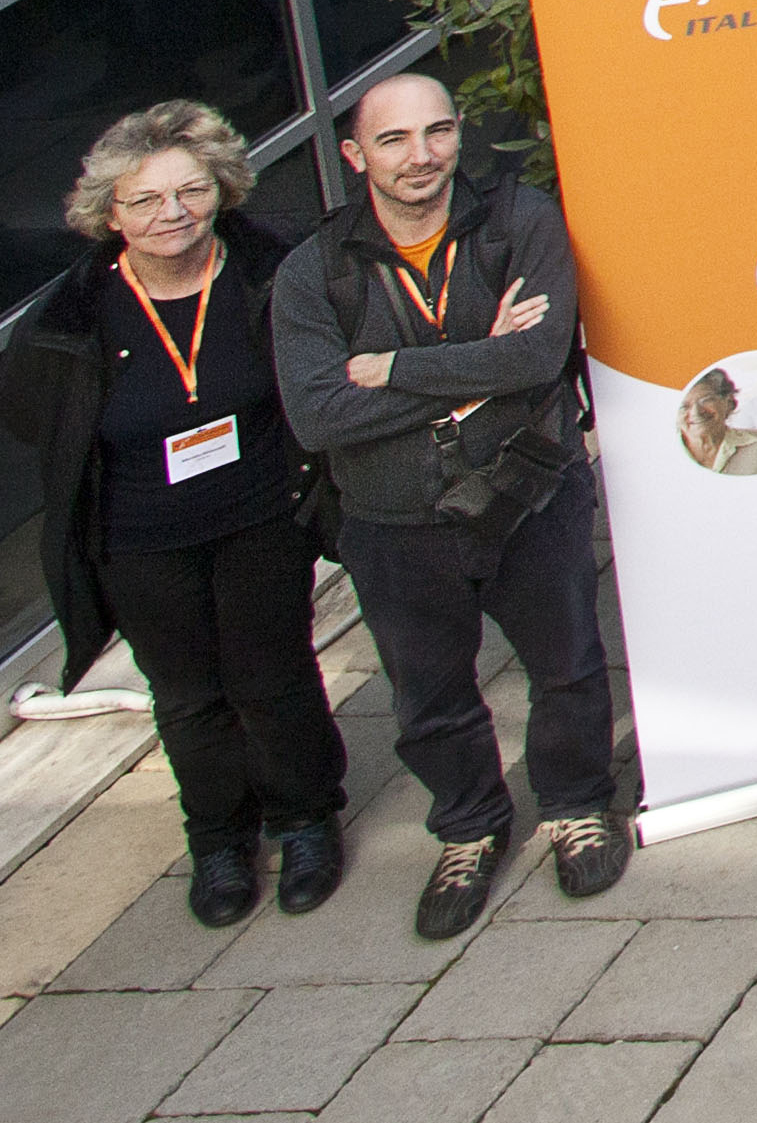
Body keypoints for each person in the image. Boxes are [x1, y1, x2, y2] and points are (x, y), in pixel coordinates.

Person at [278, 73, 626, 938]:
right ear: (356, 155)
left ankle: (578, 803)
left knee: (569, 663)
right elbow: (319, 414)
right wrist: (481, 362)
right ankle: (469, 826)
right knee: (428, 692)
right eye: (394, 140)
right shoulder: (313, 272)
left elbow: (539, 359)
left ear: (458, 134)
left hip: (527, 493)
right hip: (393, 525)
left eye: (437, 132)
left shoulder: (518, 221)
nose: (420, 156)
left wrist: (393, 368)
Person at [6, 102, 345, 928]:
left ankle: (304, 819)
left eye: (189, 192)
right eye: (146, 200)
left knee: (273, 673)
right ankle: (219, 840)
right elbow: (34, 413)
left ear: (221, 191)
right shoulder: (68, 320)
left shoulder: (276, 271)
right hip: (139, 534)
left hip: (261, 509)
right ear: (108, 215)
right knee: (187, 694)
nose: (172, 214)